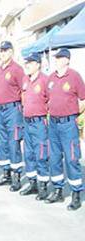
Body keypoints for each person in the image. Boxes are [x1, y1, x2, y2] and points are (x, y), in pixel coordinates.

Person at [46, 48, 84, 211]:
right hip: (53, 124)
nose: (56, 60)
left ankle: (76, 194)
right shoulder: (51, 78)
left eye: (59, 58)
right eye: (56, 58)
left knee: (71, 158)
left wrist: (75, 114)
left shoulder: (74, 76)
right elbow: (47, 98)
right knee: (54, 158)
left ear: (67, 60)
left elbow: (83, 99)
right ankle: (58, 190)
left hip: (68, 124)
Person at [0, 41, 25, 192]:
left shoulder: (17, 69)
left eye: (5, 51)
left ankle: (16, 176)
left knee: (13, 142)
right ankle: (6, 173)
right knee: (2, 142)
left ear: (11, 52)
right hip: (1, 109)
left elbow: (23, 90)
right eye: (1, 51)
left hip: (13, 109)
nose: (3, 53)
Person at [19, 52, 50, 199]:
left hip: (39, 122)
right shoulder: (25, 79)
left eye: (30, 62)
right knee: (29, 154)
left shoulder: (45, 80)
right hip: (27, 121)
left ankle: (43, 186)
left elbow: (51, 101)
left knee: (41, 154)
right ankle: (33, 184)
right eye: (27, 62)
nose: (27, 65)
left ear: (38, 64)